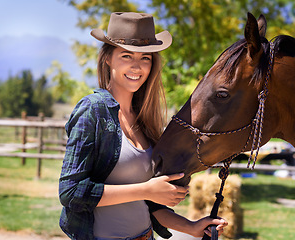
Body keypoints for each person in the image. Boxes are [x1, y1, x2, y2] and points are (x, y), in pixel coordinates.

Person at [59, 12, 228, 240]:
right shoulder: (93, 111)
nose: (137, 67)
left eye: (145, 58)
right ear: (108, 58)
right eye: (127, 56)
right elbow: (71, 192)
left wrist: (191, 227)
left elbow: (148, 204)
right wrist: (146, 189)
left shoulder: (144, 119)